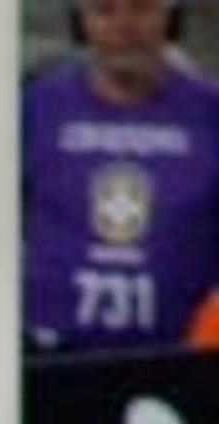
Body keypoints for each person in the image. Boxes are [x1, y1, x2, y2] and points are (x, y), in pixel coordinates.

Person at [27, 0, 219, 352]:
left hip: (183, 359)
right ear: (79, 21)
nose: (124, 26)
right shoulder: (35, 111)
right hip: (53, 358)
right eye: (105, 9)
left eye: (141, 8)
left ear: (171, 17)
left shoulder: (210, 114)